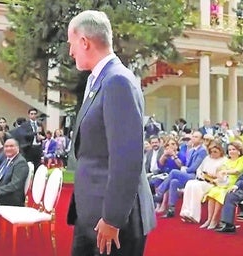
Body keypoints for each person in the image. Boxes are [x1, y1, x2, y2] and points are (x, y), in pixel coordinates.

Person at [66, 10, 155, 256]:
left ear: (85, 42)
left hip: (113, 222)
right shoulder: (99, 80)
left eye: (71, 43)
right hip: (92, 213)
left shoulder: (118, 81)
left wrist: (113, 219)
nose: (70, 51)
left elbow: (126, 158)